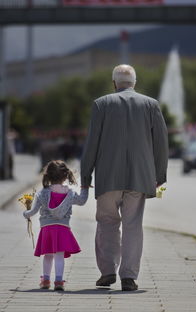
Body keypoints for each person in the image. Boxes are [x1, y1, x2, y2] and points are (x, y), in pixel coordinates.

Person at [81, 64, 168, 291]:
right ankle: (129, 276)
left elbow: (92, 143)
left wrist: (85, 175)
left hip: (108, 177)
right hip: (140, 177)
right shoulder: (151, 105)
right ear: (134, 83)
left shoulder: (101, 104)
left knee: (107, 223)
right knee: (133, 225)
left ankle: (108, 272)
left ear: (114, 83)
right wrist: (159, 175)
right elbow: (160, 144)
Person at [23, 160, 88, 291]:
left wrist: (26, 213)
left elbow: (33, 211)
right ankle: (59, 281)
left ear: (48, 176)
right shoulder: (70, 194)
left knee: (48, 255)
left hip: (47, 228)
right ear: (65, 176)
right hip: (63, 228)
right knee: (59, 256)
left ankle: (45, 280)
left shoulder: (42, 193)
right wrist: (85, 188)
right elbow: (82, 201)